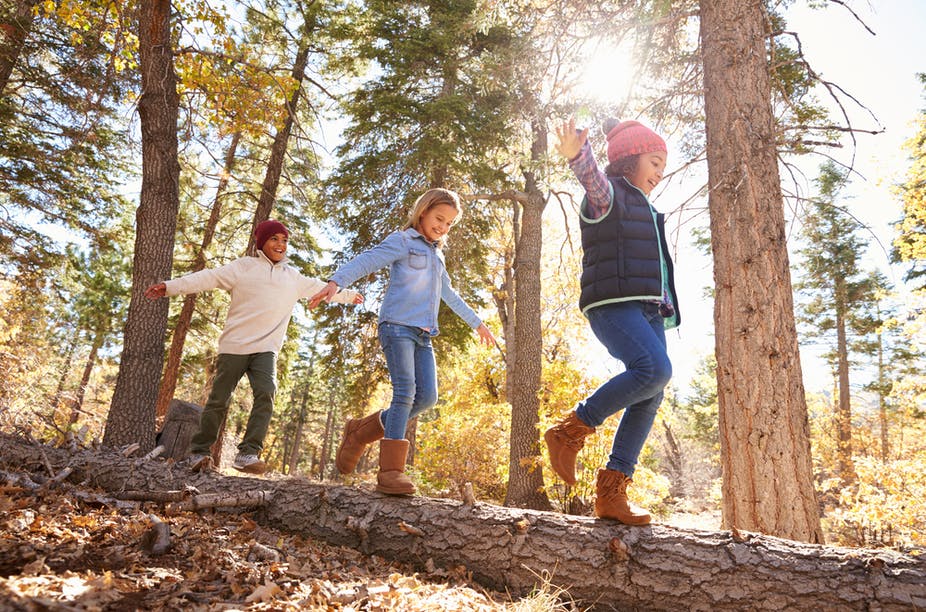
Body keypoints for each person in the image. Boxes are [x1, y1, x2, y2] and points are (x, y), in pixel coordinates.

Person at [310, 188, 496, 495]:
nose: (443, 227)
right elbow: (367, 260)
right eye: (439, 219)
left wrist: (477, 323)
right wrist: (335, 282)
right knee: (405, 392)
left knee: (427, 397)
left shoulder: (437, 255)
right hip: (396, 326)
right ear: (423, 212)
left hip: (423, 334)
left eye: (450, 223)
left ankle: (360, 431)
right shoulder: (403, 241)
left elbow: (448, 294)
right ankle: (391, 472)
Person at [145, 219, 363, 475]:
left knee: (266, 391)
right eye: (274, 239)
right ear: (262, 242)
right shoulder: (244, 267)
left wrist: (348, 296)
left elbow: (321, 288)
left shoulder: (292, 277)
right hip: (235, 346)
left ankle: (248, 453)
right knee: (218, 400)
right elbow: (208, 278)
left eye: (284, 240)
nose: (280, 245)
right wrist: (169, 287)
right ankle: (199, 452)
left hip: (266, 349)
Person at [545, 117, 681, 525]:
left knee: (651, 390)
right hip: (613, 304)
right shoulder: (610, 196)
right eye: (654, 162)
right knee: (654, 369)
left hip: (648, 309)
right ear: (628, 161)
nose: (660, 172)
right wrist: (578, 155)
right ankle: (570, 430)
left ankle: (612, 492)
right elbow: (591, 180)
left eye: (663, 165)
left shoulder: (649, 208)